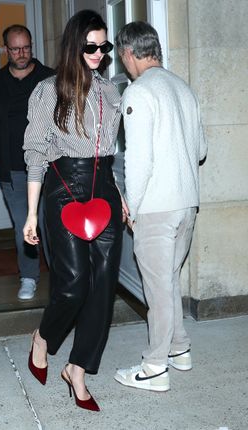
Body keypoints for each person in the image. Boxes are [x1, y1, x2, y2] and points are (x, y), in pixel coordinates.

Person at [23, 10, 128, 411]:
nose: (99, 52)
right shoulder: (49, 91)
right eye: (91, 46)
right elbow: (35, 154)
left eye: (105, 46)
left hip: (104, 190)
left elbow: (108, 155)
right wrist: (31, 214)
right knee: (73, 285)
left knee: (103, 287)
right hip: (65, 189)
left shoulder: (110, 92)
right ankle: (43, 338)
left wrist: (119, 193)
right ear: (74, 46)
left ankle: (78, 368)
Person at [114, 21, 207, 392]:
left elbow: (138, 161)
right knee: (168, 280)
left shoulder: (138, 93)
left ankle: (154, 367)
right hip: (187, 203)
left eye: (121, 57)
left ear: (128, 53)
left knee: (157, 290)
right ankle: (179, 349)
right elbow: (200, 150)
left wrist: (132, 207)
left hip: (156, 206)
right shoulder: (183, 88)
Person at [0, 24, 54, 300]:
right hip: (12, 168)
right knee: (25, 224)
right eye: (16, 49)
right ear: (5, 50)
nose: (22, 54)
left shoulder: (49, 79)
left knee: (50, 225)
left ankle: (61, 278)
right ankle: (29, 277)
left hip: (49, 168)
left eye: (26, 48)